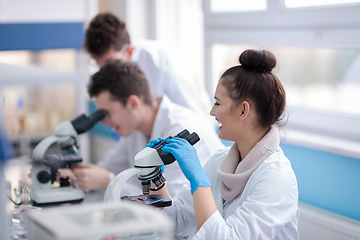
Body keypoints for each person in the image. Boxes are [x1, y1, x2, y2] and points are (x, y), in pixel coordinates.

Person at [148, 49, 299, 239]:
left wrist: (199, 183)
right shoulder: (220, 160)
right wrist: (155, 176)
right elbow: (174, 222)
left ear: (243, 111)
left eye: (218, 103)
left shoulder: (276, 178)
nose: (212, 112)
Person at [71, 60, 224, 197]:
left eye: (107, 113)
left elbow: (168, 202)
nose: (104, 122)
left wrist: (108, 181)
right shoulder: (134, 129)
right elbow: (106, 169)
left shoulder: (178, 129)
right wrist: (73, 176)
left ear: (133, 103)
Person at [84, 12, 213, 123]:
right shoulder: (119, 72)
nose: (103, 70)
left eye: (109, 63)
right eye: (97, 63)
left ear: (129, 51)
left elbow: (195, 117)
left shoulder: (162, 61)